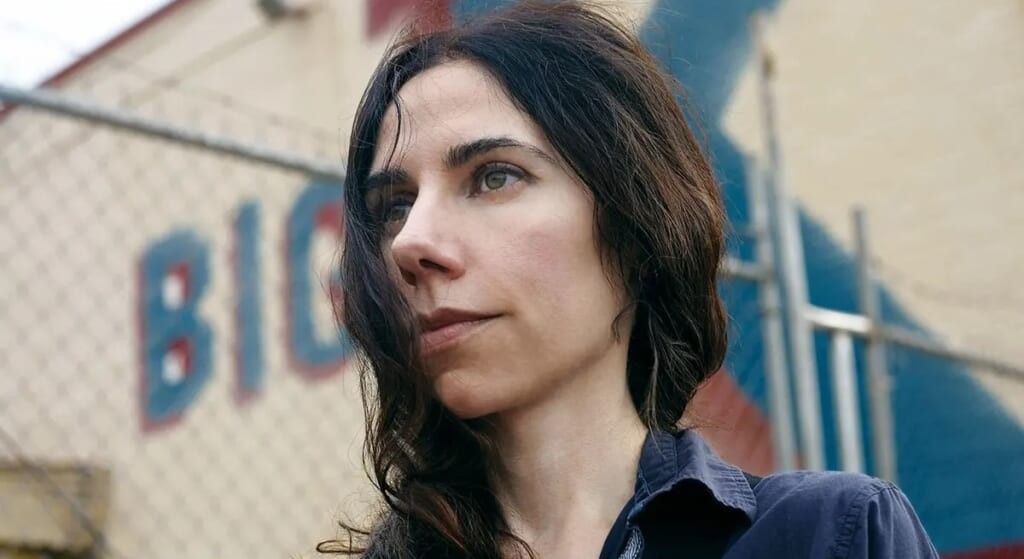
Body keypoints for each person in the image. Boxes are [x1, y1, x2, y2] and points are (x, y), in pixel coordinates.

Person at [321, 1, 939, 557]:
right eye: (393, 207)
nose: (411, 242)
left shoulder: (830, 535)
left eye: (495, 176)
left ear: (636, 224)